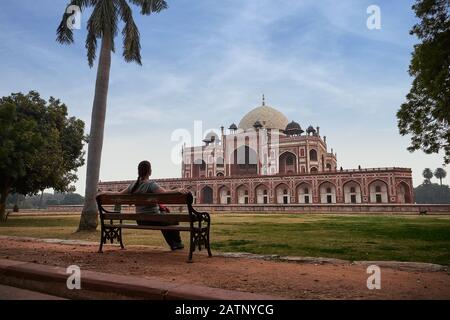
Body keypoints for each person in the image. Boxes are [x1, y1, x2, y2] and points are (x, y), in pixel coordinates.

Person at [118, 160, 185, 250]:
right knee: (173, 220)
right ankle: (177, 243)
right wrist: (178, 190)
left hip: (140, 220)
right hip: (153, 219)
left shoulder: (133, 185)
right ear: (149, 171)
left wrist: (104, 193)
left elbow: (118, 194)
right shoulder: (151, 184)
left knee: (165, 221)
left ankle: (174, 244)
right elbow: (164, 193)